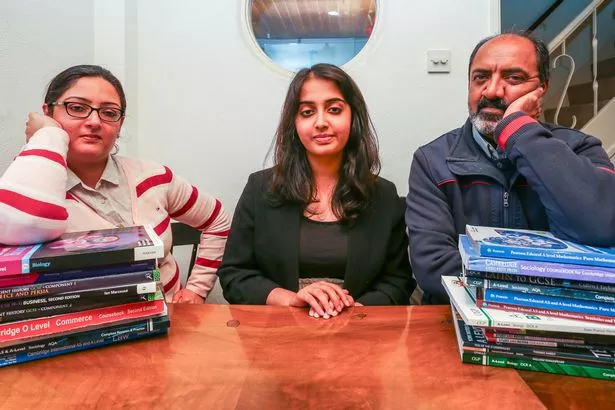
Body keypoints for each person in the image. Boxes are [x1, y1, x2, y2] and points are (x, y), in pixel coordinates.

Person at [406, 33, 615, 304]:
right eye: (480, 77)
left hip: (563, 320)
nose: (491, 91)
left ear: (543, 87)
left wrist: (520, 130)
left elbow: (601, 228)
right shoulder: (432, 160)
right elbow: (433, 268)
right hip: (458, 319)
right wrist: (547, 278)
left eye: (513, 78)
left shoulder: (581, 149)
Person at [0, 65, 230, 303]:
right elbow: (19, 224)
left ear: (119, 125)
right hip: (81, 328)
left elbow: (217, 219)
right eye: (77, 108)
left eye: (109, 113)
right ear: (48, 114)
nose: (94, 121)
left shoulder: (153, 177)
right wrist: (46, 138)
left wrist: (196, 290)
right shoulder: (33, 187)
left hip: (170, 323)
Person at [218, 63, 414, 318]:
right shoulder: (260, 188)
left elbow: (398, 281)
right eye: (307, 112)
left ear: (353, 117)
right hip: (277, 334)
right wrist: (292, 299)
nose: (321, 122)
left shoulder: (383, 195)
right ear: (294, 123)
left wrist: (352, 310)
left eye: (334, 110)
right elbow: (234, 275)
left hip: (358, 334)